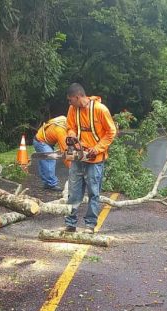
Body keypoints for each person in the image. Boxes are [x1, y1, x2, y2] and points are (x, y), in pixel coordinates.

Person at [64, 83, 117, 234]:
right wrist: (72, 135)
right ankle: (70, 223)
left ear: (78, 96)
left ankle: (90, 225)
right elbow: (70, 126)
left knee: (94, 193)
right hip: (78, 157)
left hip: (95, 159)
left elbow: (111, 132)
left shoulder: (100, 109)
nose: (69, 103)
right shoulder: (72, 109)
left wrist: (98, 148)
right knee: (73, 193)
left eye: (70, 100)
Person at [33, 116, 68, 191]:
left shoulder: (64, 120)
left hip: (40, 139)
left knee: (43, 162)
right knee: (50, 159)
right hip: (41, 141)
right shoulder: (61, 131)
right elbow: (65, 152)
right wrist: (72, 168)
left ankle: (47, 183)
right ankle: (51, 184)